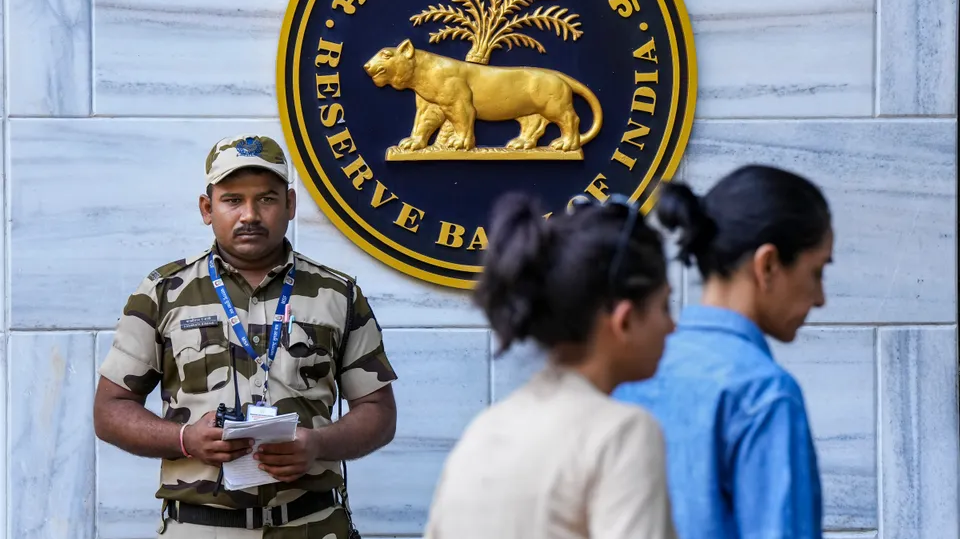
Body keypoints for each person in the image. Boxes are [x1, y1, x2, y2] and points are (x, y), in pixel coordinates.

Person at [93, 134, 399, 538]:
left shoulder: (338, 293)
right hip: (201, 526)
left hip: (312, 525)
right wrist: (185, 438)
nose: (250, 214)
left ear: (290, 205)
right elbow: (110, 409)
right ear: (207, 208)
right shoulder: (163, 293)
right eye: (233, 199)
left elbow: (378, 410)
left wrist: (318, 445)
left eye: (267, 199)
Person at [424, 191, 678, 539]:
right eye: (664, 306)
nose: (672, 326)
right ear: (624, 320)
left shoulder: (484, 431)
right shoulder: (622, 434)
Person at [614, 164, 833, 539]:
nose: (820, 298)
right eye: (816, 272)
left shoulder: (630, 372)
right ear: (768, 265)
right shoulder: (764, 393)